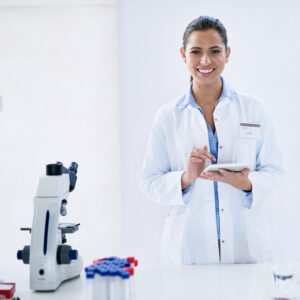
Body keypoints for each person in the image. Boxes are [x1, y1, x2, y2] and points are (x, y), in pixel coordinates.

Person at [140, 16, 284, 264]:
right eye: (196, 51)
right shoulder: (167, 116)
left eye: (214, 51)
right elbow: (149, 181)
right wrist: (186, 178)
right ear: (183, 55)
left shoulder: (253, 109)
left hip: (245, 247)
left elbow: (275, 171)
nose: (205, 61)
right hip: (189, 249)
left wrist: (246, 183)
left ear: (227, 54)